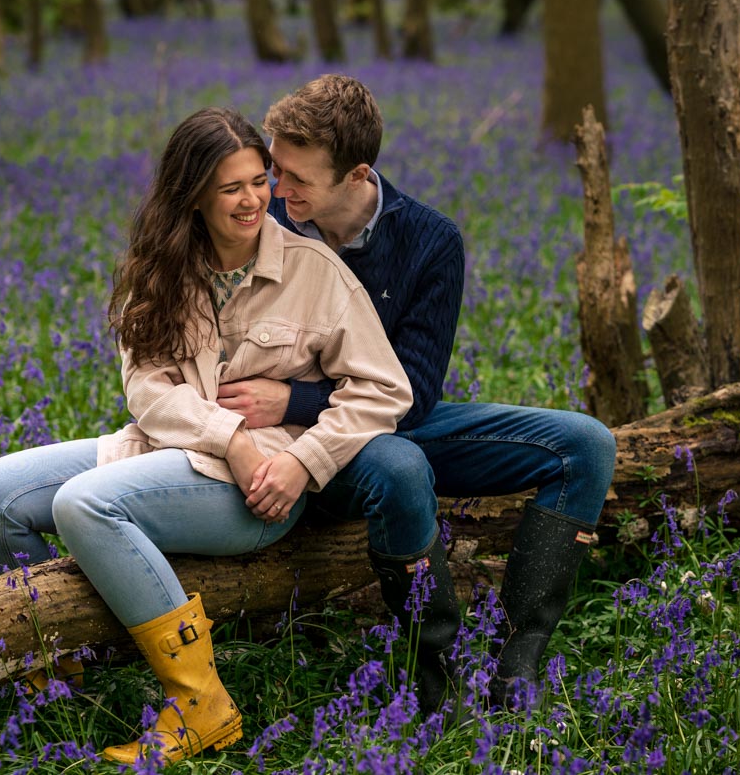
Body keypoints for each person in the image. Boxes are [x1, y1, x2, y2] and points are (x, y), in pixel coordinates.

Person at [0, 107, 412, 764]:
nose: (255, 199)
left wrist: (306, 462)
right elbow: (146, 389)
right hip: (173, 454)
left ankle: (201, 704)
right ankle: (55, 685)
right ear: (193, 193)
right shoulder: (159, 269)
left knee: (82, 503)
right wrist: (226, 433)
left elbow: (384, 391)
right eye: (233, 188)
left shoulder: (315, 273)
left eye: (261, 180)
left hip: (258, 485)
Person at [213, 75, 618, 714]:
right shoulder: (260, 226)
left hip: (381, 418)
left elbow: (414, 394)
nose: (275, 191)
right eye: (273, 169)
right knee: (398, 465)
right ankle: (435, 683)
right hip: (289, 445)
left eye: (296, 179)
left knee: (587, 446)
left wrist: (290, 398)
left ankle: (515, 668)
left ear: (357, 173)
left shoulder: (431, 242)